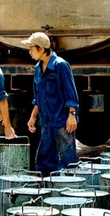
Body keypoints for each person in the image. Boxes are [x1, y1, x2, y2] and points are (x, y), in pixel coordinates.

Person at [23, 32, 79, 176]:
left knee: (67, 161)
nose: (29, 52)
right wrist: (33, 117)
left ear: (41, 49)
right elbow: (38, 96)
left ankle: (69, 189)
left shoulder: (60, 65)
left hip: (62, 121)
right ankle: (47, 188)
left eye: (31, 49)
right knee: (45, 159)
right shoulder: (37, 68)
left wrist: (72, 115)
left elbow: (70, 92)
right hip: (46, 122)